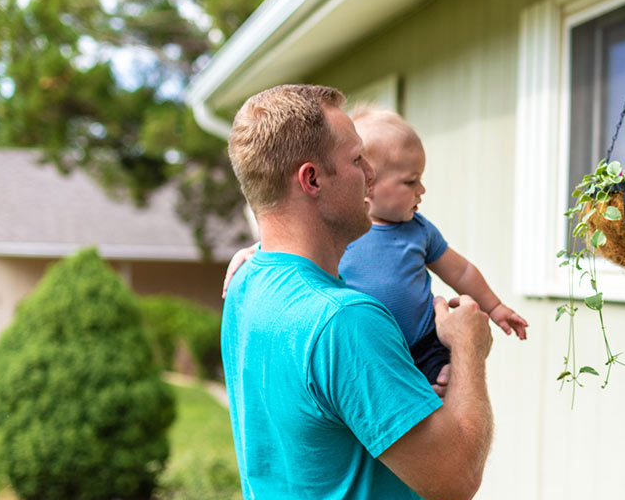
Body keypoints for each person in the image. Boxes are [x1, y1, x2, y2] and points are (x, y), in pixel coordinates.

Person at [221, 84, 494, 500]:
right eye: (357, 160)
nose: (372, 175)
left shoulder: (245, 285)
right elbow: (456, 477)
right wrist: (469, 349)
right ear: (312, 180)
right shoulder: (344, 320)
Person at [224, 106, 527, 395]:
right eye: (410, 181)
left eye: (420, 179)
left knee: (445, 379)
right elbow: (290, 244)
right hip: (369, 350)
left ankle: (440, 404)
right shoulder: (341, 230)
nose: (421, 190)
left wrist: (495, 307)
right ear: (368, 183)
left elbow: (460, 270)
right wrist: (255, 251)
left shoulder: (419, 230)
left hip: (423, 344)